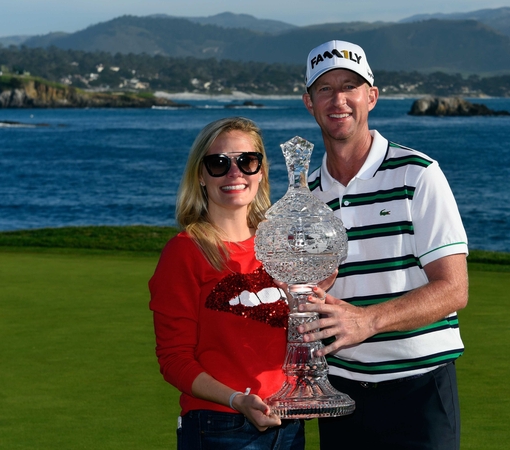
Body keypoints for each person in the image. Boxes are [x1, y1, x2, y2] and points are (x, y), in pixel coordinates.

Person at [298, 40, 470, 449]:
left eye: (350, 86)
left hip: (420, 390)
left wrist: (367, 321)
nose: (338, 99)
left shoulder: (419, 174)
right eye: (325, 88)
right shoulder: (303, 196)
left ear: (371, 96)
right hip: (339, 393)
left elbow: (454, 288)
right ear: (308, 102)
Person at [148, 117, 305, 449]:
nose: (235, 173)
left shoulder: (279, 246)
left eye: (247, 161)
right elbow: (174, 359)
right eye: (218, 163)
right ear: (201, 176)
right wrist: (236, 400)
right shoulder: (184, 252)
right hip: (220, 426)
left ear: (261, 172)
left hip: (289, 423)